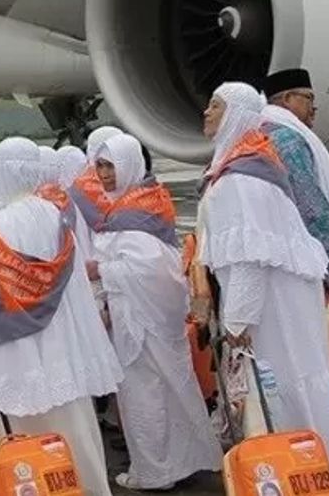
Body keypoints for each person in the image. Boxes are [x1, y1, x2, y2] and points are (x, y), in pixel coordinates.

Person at [0, 138, 123, 496]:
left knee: (30, 440)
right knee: (76, 435)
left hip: (21, 347)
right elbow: (72, 286)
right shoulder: (54, 213)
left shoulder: (3, 223)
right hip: (64, 346)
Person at [197, 82, 329, 475]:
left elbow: (250, 260)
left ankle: (288, 470)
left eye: (216, 105)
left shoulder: (242, 178)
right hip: (277, 300)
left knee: (276, 385)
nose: (206, 112)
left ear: (236, 114)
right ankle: (309, 465)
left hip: (268, 305)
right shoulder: (244, 163)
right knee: (292, 377)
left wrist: (237, 325)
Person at [88, 135, 222, 490]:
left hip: (143, 321)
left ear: (130, 166)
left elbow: (155, 270)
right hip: (139, 317)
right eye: (99, 166)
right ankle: (178, 462)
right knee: (164, 390)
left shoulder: (134, 211)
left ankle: (157, 471)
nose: (103, 174)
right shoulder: (132, 205)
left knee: (145, 395)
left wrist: (103, 271)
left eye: (110, 166)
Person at [262, 68, 329, 306]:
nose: (314, 108)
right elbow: (312, 207)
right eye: (308, 98)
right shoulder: (288, 141)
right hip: (302, 265)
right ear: (287, 99)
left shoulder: (257, 133)